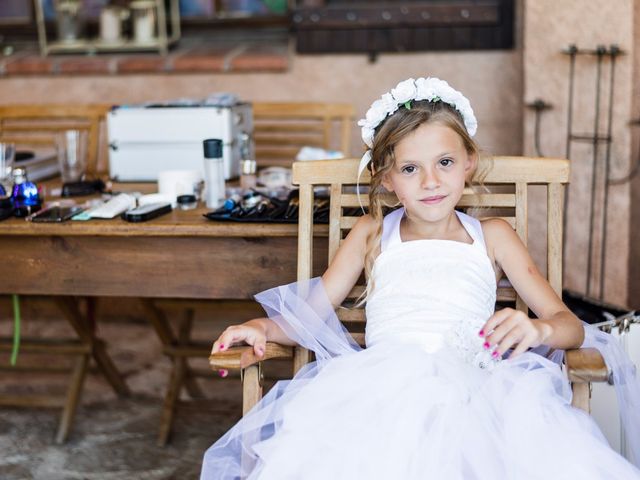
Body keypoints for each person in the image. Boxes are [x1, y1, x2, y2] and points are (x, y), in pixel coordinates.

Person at [202, 77, 640, 479]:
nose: (431, 181)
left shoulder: (494, 236)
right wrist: (262, 326)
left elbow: (569, 326)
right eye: (410, 169)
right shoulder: (371, 232)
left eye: (445, 162)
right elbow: (311, 314)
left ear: (469, 162)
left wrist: (538, 327)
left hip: (477, 390)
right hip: (377, 390)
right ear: (387, 179)